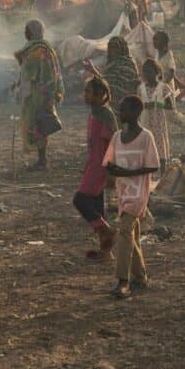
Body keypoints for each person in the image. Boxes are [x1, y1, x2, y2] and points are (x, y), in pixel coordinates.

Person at [104, 95, 160, 298]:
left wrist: (127, 173)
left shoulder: (146, 137)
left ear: (136, 113)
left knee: (125, 231)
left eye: (124, 109)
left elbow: (154, 165)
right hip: (123, 192)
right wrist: (113, 173)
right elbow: (109, 162)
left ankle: (122, 281)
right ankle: (140, 276)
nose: (120, 113)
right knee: (131, 234)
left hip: (138, 192)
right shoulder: (117, 137)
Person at [74, 77, 117, 259]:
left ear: (102, 95)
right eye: (86, 92)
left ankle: (105, 229)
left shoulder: (105, 115)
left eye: (89, 92)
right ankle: (106, 251)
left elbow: (113, 144)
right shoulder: (94, 113)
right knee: (97, 205)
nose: (86, 96)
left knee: (81, 200)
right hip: (94, 163)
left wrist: (110, 171)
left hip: (101, 165)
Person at [15, 19, 64, 170]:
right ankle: (42, 159)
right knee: (40, 124)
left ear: (32, 32)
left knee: (38, 124)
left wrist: (20, 86)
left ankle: (42, 160)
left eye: (27, 30)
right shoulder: (45, 48)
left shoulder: (38, 51)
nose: (25, 33)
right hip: (44, 93)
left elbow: (30, 72)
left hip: (38, 94)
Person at [137, 58, 173, 167]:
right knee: (145, 147)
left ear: (157, 72)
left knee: (160, 147)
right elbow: (138, 105)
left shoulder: (163, 87)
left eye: (150, 71)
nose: (147, 74)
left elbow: (170, 106)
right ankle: (147, 174)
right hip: (145, 121)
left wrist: (156, 105)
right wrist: (143, 106)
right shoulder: (140, 88)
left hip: (158, 123)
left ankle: (163, 173)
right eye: (145, 72)